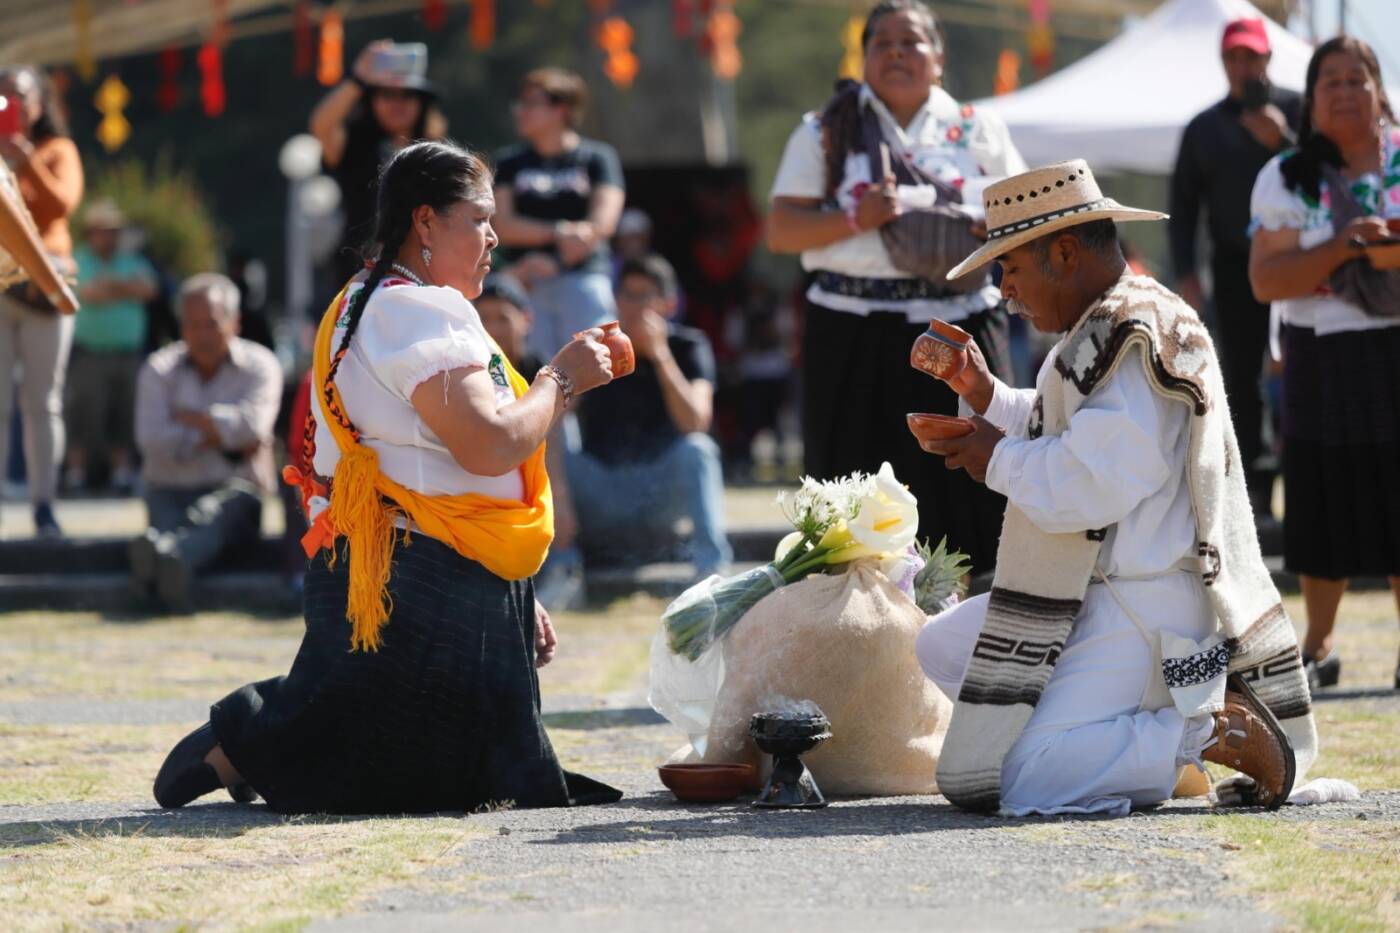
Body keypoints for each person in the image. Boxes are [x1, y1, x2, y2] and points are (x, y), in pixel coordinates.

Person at [153, 141, 623, 814]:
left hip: (405, 563)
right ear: (425, 223)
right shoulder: (418, 310)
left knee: (445, 759)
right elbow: (488, 444)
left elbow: (425, 462)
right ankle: (244, 736)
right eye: (480, 219)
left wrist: (514, 589)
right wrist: (562, 376)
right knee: (425, 764)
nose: (495, 237)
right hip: (413, 575)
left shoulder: (365, 300)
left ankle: (250, 739)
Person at [914, 160, 1317, 816]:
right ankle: (1116, 736)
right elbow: (1063, 430)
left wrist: (994, 460)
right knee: (939, 644)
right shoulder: (1110, 321)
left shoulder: (1132, 337)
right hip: (1092, 589)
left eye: (1011, 270)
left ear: (1065, 252)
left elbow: (1091, 486)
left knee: (1016, 776)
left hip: (1143, 607)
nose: (1007, 293)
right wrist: (983, 394)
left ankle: (1205, 727)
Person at [767, 0, 1026, 573]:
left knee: (970, 476)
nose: (895, 54)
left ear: (939, 57)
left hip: (957, 327)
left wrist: (986, 221)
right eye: (880, 43)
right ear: (863, 59)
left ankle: (972, 619)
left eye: (910, 42)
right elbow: (782, 229)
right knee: (849, 486)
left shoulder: (979, 129)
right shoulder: (826, 131)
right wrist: (859, 217)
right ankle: (855, 623)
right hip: (852, 328)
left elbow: (1024, 218)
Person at [1247, 36, 1400, 692]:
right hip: (1319, 351)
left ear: (1379, 90)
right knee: (1319, 495)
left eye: (1356, 79)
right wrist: (1344, 246)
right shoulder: (1286, 175)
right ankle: (1319, 640)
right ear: (1310, 100)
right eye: (1329, 81)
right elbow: (1265, 280)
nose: (1343, 91)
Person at [1170, 17, 1301, 522]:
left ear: (1268, 60)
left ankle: (1306, 493)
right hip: (1233, 269)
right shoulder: (1204, 127)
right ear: (1224, 63)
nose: (1243, 67)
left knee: (1304, 374)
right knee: (1240, 383)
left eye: (1252, 57)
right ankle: (1257, 506)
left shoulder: (1297, 108)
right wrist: (1187, 272)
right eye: (1234, 58)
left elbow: (1326, 176)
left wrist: (1284, 139)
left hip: (1301, 265)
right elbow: (1183, 207)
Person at [559, 254, 731, 579]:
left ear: (668, 303)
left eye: (645, 296)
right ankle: (561, 569)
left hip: (659, 491)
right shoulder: (599, 348)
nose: (635, 306)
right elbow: (553, 414)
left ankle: (711, 572)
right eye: (628, 295)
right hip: (601, 490)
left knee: (699, 450)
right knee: (555, 449)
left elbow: (695, 422)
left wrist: (660, 355)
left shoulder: (688, 345)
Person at [130, 274, 281, 611]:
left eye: (211, 324)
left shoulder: (261, 366)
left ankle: (163, 555)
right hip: (168, 491)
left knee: (213, 513)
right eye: (192, 324)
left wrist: (189, 420)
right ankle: (171, 561)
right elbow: (151, 440)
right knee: (183, 521)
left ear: (235, 322)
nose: (202, 335)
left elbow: (253, 429)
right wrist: (220, 433)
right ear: (180, 325)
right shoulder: (158, 369)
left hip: (236, 494)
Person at [0, 65, 83, 537]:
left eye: (22, 96)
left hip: (44, 290)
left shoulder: (57, 150)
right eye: (5, 96)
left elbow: (60, 206)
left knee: (42, 402)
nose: (14, 103)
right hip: (1, 286)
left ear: (40, 104)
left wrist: (25, 159)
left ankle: (43, 505)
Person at [493, 68, 625, 360]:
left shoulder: (597, 158)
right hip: (525, 278)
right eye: (521, 103)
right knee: (534, 366)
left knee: (596, 359)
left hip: (583, 274)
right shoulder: (510, 162)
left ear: (561, 109)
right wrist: (558, 232)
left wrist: (557, 260)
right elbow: (502, 224)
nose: (521, 111)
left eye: (531, 103)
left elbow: (603, 223)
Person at [310, 39, 447, 287]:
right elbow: (322, 124)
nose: (397, 103)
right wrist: (359, 77)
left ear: (421, 103)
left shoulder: (435, 155)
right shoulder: (354, 147)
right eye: (387, 94)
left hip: (421, 272)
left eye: (407, 95)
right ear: (371, 100)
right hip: (360, 273)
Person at [65, 199, 158, 493]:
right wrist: (125, 287)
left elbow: (148, 290)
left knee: (125, 414)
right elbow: (89, 292)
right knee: (83, 415)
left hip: (127, 354)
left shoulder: (133, 260)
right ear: (91, 232)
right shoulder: (77, 258)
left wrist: (112, 285)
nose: (110, 237)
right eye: (104, 231)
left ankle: (122, 473)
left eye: (114, 231)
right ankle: (76, 474)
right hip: (89, 353)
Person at [475, 271, 543, 380]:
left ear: (527, 319)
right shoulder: (471, 376)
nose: (493, 330)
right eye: (484, 320)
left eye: (503, 319)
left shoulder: (544, 377)